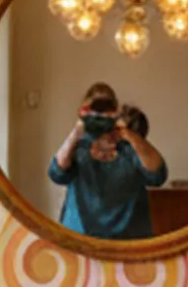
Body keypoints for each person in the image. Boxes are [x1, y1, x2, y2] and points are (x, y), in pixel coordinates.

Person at [48, 87, 167, 240]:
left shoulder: (130, 147)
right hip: (79, 241)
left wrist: (126, 133)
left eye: (106, 110)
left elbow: (158, 175)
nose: (100, 118)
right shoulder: (79, 147)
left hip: (129, 242)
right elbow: (56, 173)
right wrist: (77, 131)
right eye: (94, 111)